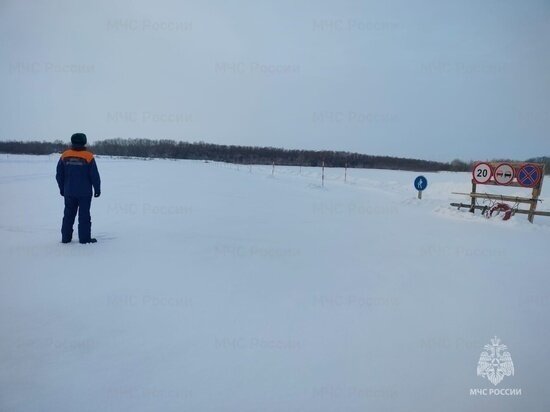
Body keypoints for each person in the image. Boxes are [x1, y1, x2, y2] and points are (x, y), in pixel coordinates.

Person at [56, 133, 101, 244]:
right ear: (84, 142)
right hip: (85, 193)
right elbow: (94, 175)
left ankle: (66, 238)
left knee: (68, 215)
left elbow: (59, 175)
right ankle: (84, 239)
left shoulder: (64, 155)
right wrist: (97, 189)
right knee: (84, 215)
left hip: (69, 191)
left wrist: (62, 188)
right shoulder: (89, 156)